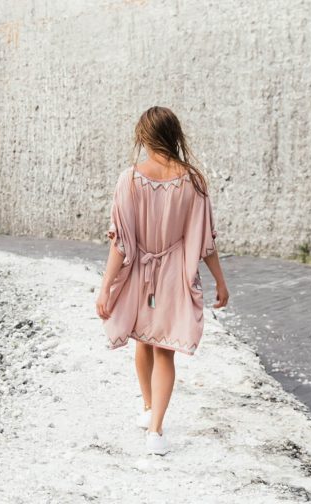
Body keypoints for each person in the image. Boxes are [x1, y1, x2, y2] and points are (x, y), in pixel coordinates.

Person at [95, 106, 229, 455]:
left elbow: (120, 243)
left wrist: (106, 287)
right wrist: (220, 281)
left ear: (144, 137)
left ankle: (149, 411)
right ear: (174, 135)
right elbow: (205, 241)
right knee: (162, 348)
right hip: (174, 274)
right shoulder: (194, 181)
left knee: (144, 339)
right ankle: (155, 429)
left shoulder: (129, 179)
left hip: (140, 271)